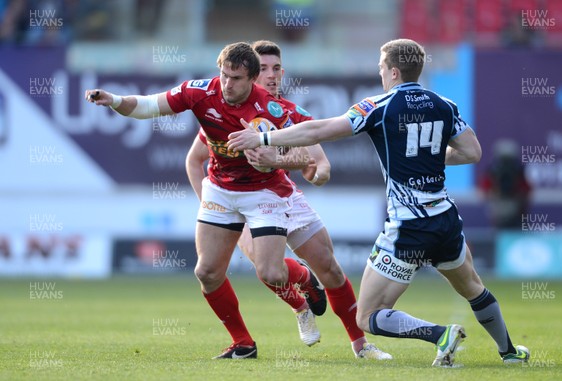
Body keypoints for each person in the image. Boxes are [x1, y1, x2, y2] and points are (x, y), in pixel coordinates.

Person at [228, 38, 530, 367]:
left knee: (367, 316)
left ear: (394, 72)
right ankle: (509, 351)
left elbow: (322, 129)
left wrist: (264, 137)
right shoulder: (444, 104)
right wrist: (425, 157)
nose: (381, 73)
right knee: (473, 287)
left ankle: (439, 334)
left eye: (382, 68)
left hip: (408, 228)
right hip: (445, 219)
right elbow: (472, 152)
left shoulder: (378, 106)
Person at [85, 42, 328, 360]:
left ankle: (304, 277)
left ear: (252, 79)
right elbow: (147, 106)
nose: (227, 84)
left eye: (237, 78)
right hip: (220, 189)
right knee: (207, 272)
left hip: (263, 192)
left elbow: (309, 153)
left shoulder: (271, 109)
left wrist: (277, 156)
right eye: (224, 75)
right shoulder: (201, 92)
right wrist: (113, 100)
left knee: (271, 273)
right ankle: (243, 343)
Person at [186, 40, 391, 359]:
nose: (271, 75)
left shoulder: (293, 116)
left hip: (283, 196)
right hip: (238, 202)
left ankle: (360, 344)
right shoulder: (227, 112)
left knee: (331, 269)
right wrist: (212, 208)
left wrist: (276, 160)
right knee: (267, 269)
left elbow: (320, 170)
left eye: (276, 68)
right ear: (250, 75)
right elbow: (194, 160)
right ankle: (296, 307)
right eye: (263, 68)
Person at [479, 139, 531, 230]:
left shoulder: (518, 170)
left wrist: (518, 198)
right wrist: (495, 194)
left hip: (516, 211)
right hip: (498, 207)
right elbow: (484, 190)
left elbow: (527, 191)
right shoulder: (493, 171)